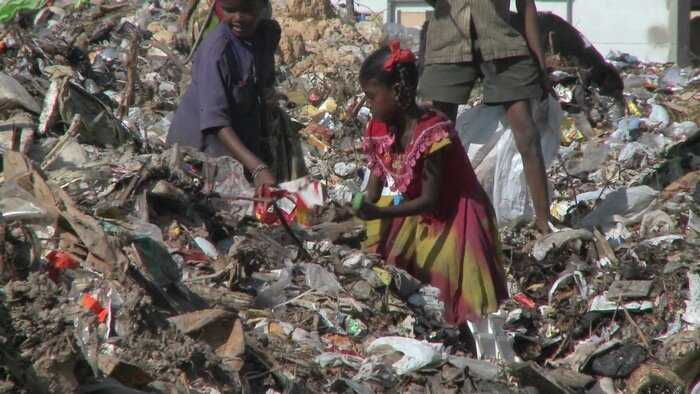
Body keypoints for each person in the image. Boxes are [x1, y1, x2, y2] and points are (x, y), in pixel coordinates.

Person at [356, 42, 508, 325]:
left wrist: (379, 213)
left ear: (397, 92)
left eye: (372, 96)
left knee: (456, 291)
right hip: (414, 212)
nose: (369, 104)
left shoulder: (433, 132)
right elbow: (373, 192)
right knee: (397, 276)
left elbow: (431, 200)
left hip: (456, 213)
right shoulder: (379, 127)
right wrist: (359, 207)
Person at [419, 0, 554, 234]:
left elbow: (526, 6)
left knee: (527, 133)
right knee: (436, 136)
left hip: (501, 41)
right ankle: (434, 214)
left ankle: (544, 221)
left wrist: (540, 65)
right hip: (448, 42)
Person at [168, 0, 304, 187]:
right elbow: (215, 122)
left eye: (247, 10)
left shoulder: (265, 34)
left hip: (241, 138)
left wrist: (267, 97)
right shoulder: (217, 51)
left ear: (262, 7)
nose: (238, 18)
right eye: (230, 10)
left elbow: (263, 81)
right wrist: (257, 168)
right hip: (201, 152)